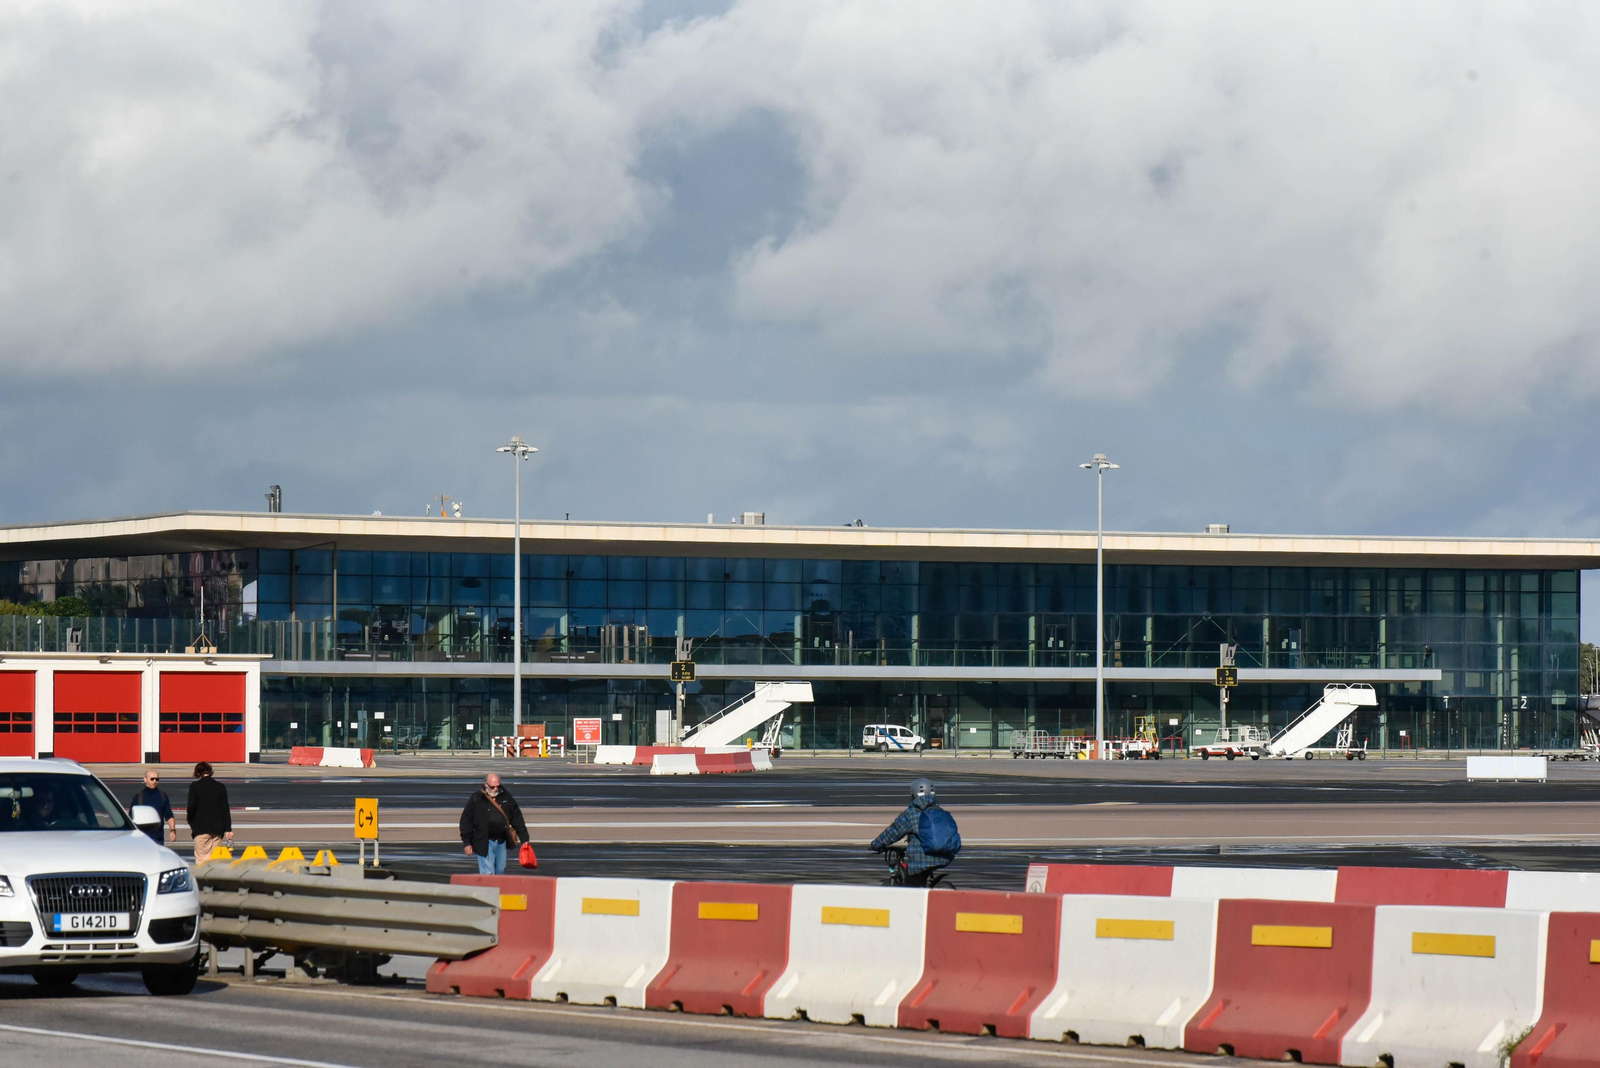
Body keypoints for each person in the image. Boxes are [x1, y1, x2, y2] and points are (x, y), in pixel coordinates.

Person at [870, 776, 960, 887]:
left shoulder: (911, 813)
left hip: (921, 861)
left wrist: (876, 845)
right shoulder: (938, 811)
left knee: (910, 888)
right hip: (944, 857)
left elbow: (893, 832)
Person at [459, 773, 529, 876]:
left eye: (498, 786)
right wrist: (467, 843)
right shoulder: (477, 798)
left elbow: (517, 817)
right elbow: (466, 821)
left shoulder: (506, 797)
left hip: (501, 841)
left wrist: (524, 838)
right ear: (486, 784)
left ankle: (497, 886)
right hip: (484, 841)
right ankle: (488, 886)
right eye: (492, 787)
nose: (495, 789)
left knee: (500, 871)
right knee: (488, 873)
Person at [186, 761, 233, 863]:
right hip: (218, 829)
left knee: (202, 860)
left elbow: (191, 807)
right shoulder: (220, 787)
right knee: (214, 860)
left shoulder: (195, 786)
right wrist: (228, 829)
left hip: (200, 828)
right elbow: (225, 809)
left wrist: (190, 821)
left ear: (198, 773)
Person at [128, 768, 177, 845]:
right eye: (152, 779)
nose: (155, 781)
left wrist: (172, 830)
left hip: (158, 839)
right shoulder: (138, 797)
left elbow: (169, 815)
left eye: (157, 779)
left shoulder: (163, 796)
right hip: (142, 839)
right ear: (145, 779)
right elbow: (131, 818)